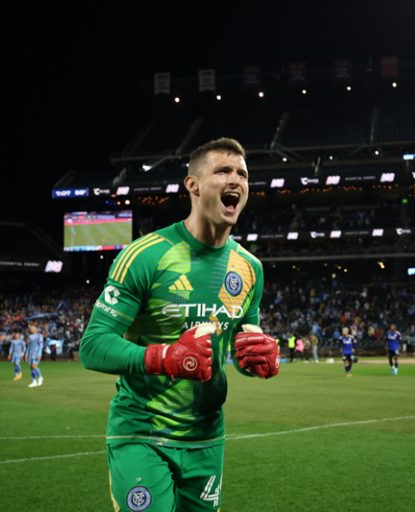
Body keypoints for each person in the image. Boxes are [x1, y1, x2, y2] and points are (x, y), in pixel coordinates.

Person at [80, 137, 279, 511]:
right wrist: (166, 356)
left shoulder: (250, 269)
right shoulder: (146, 255)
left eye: (243, 173)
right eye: (223, 171)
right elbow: (92, 346)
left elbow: (241, 348)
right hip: (142, 433)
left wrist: (258, 361)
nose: (235, 179)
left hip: (206, 438)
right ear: (193, 185)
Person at [25, 323, 44, 388]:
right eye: (30, 328)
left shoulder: (39, 336)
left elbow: (41, 346)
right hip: (30, 354)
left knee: (34, 366)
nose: (31, 329)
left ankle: (40, 377)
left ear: (36, 328)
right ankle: (34, 381)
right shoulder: (30, 337)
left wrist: (39, 354)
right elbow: (28, 346)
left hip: (36, 354)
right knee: (31, 368)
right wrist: (26, 354)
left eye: (32, 328)